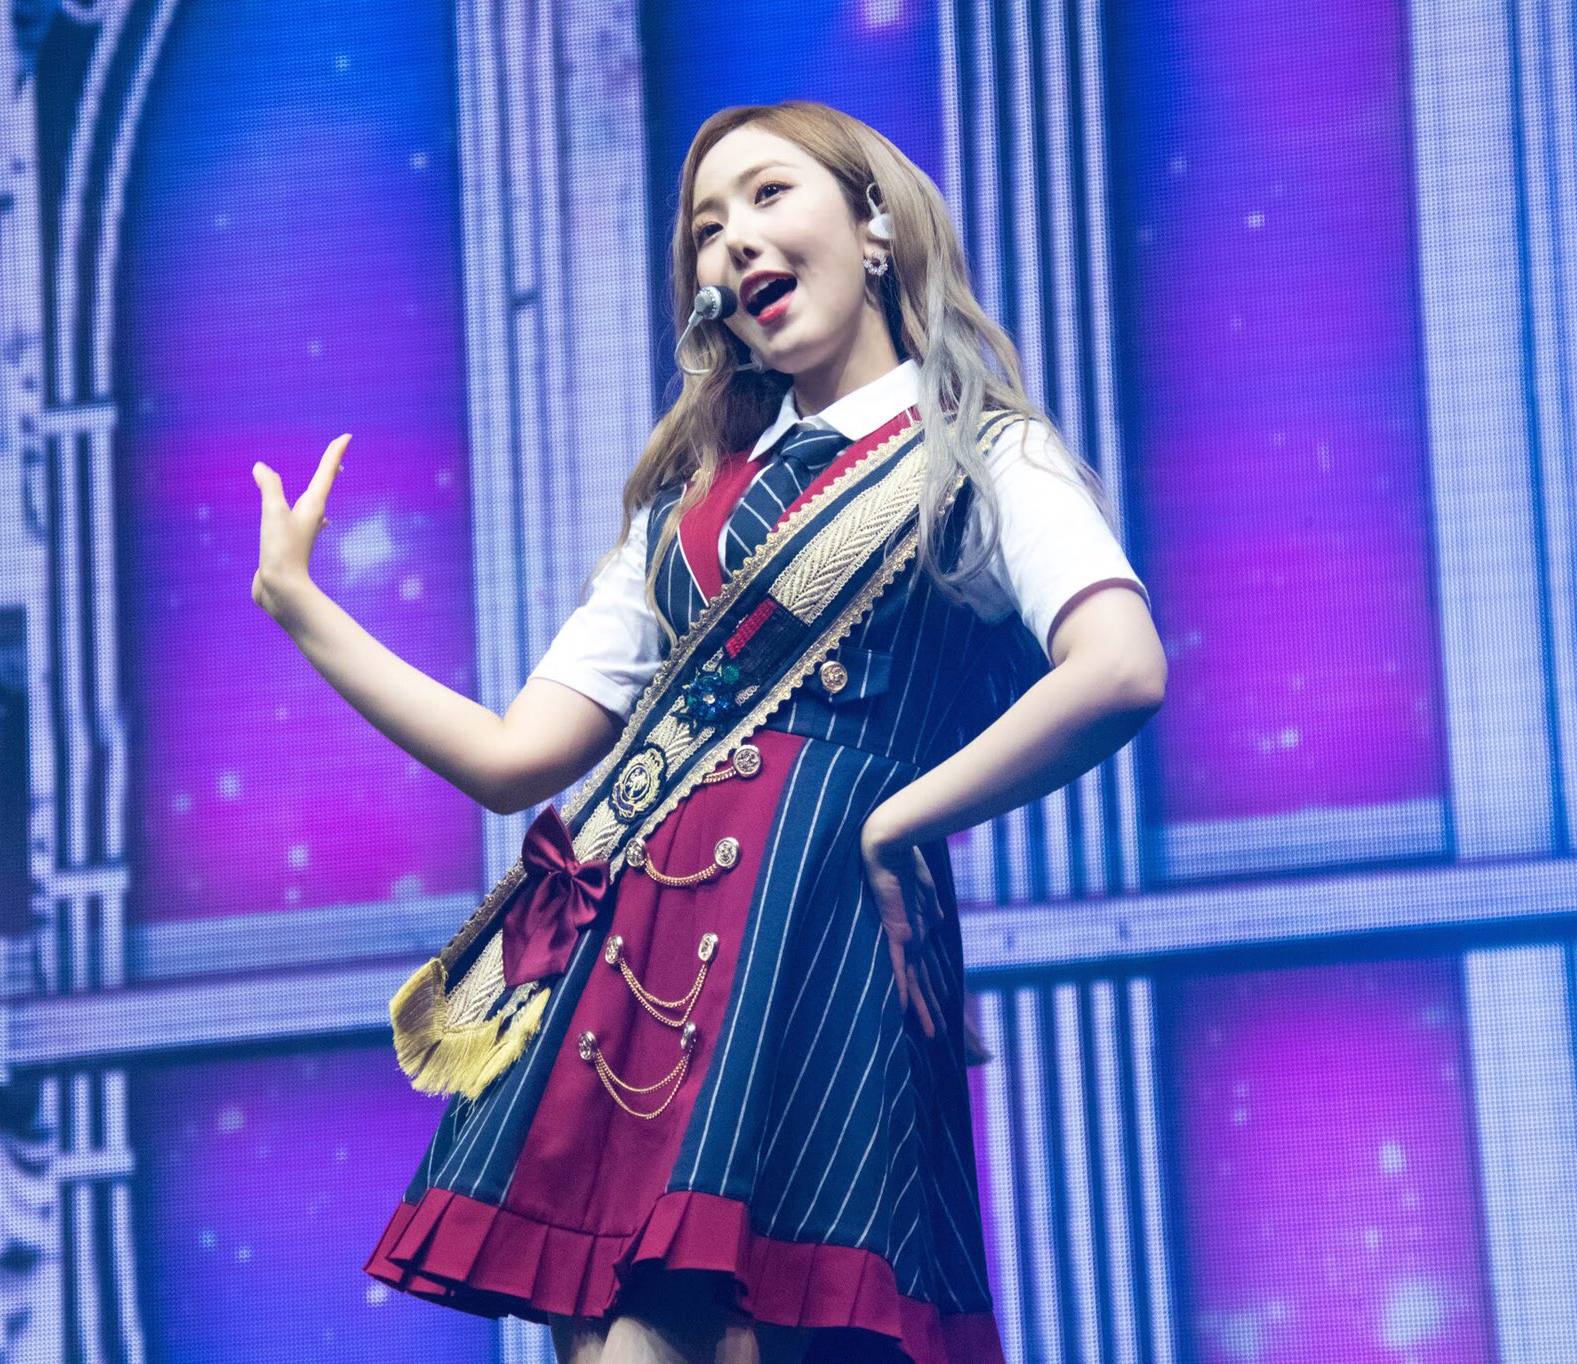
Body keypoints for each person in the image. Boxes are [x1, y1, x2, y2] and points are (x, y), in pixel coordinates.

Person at [250, 101, 1164, 1364]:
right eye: (704, 227)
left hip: (810, 958)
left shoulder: (981, 451)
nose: (732, 240)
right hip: (621, 968)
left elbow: (1118, 667)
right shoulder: (681, 508)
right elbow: (513, 758)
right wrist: (301, 607)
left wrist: (894, 819)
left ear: (875, 228)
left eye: (769, 195)